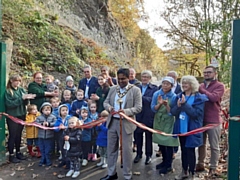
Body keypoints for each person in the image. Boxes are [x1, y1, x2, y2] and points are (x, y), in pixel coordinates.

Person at [100, 68, 142, 180]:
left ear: (129, 78)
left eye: (123, 79)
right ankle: (111, 173)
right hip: (112, 122)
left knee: (126, 151)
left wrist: (126, 112)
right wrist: (109, 108)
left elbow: (138, 107)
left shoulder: (135, 90)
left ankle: (127, 175)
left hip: (126, 124)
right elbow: (106, 102)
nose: (121, 81)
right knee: (111, 149)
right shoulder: (113, 89)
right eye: (119, 79)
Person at [171, 75, 208, 179]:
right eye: (183, 83)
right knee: (183, 150)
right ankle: (184, 171)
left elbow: (196, 114)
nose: (184, 85)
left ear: (192, 85)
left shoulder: (199, 98)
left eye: (186, 83)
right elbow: (173, 112)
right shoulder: (178, 96)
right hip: (181, 128)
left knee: (190, 151)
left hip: (192, 129)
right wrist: (178, 106)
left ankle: (192, 173)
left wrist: (184, 104)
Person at [196, 66, 225, 177]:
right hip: (201, 120)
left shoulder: (220, 86)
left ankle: (213, 167)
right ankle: (200, 163)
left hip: (213, 120)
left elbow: (213, 98)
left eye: (209, 72)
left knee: (214, 146)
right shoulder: (202, 85)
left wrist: (201, 90)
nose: (206, 74)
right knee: (201, 144)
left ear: (215, 73)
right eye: (205, 72)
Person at [4, 74, 36, 163]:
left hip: (21, 115)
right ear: (11, 81)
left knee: (19, 135)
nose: (17, 83)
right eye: (16, 81)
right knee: (13, 135)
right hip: (13, 116)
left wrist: (27, 98)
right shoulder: (8, 91)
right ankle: (11, 155)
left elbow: (25, 103)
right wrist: (21, 99)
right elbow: (10, 104)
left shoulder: (21, 89)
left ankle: (18, 152)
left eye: (19, 81)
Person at [151, 76, 179, 174]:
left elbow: (173, 112)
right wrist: (159, 104)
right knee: (161, 142)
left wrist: (166, 105)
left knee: (169, 143)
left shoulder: (174, 96)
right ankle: (163, 161)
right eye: (164, 83)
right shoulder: (156, 94)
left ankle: (168, 165)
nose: (165, 86)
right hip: (158, 120)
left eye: (167, 84)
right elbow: (153, 109)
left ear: (171, 86)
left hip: (169, 121)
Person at [134, 70, 158, 165]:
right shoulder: (136, 87)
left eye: (146, 77)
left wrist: (140, 97)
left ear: (150, 78)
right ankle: (138, 154)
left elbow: (152, 100)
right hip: (137, 115)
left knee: (148, 136)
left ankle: (148, 155)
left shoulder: (154, 88)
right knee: (137, 136)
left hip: (148, 115)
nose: (144, 78)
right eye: (143, 77)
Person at [157, 70, 182, 158]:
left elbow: (174, 110)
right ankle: (162, 152)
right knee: (161, 137)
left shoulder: (180, 89)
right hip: (160, 118)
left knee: (172, 137)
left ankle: (173, 152)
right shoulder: (159, 89)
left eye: (172, 77)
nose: (165, 85)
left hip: (171, 117)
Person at [35, 102, 57, 166]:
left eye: (49, 110)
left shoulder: (53, 117)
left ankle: (48, 159)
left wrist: (49, 124)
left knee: (48, 149)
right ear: (42, 110)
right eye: (46, 110)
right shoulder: (39, 117)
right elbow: (36, 124)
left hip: (49, 136)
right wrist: (41, 124)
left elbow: (55, 123)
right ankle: (43, 159)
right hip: (41, 136)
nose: (47, 112)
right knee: (42, 148)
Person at [129, 68, 141, 152]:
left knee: (136, 130)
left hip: (135, 109)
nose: (130, 75)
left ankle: (135, 144)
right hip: (127, 108)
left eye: (132, 73)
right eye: (129, 73)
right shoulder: (123, 83)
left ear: (135, 74)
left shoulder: (137, 84)